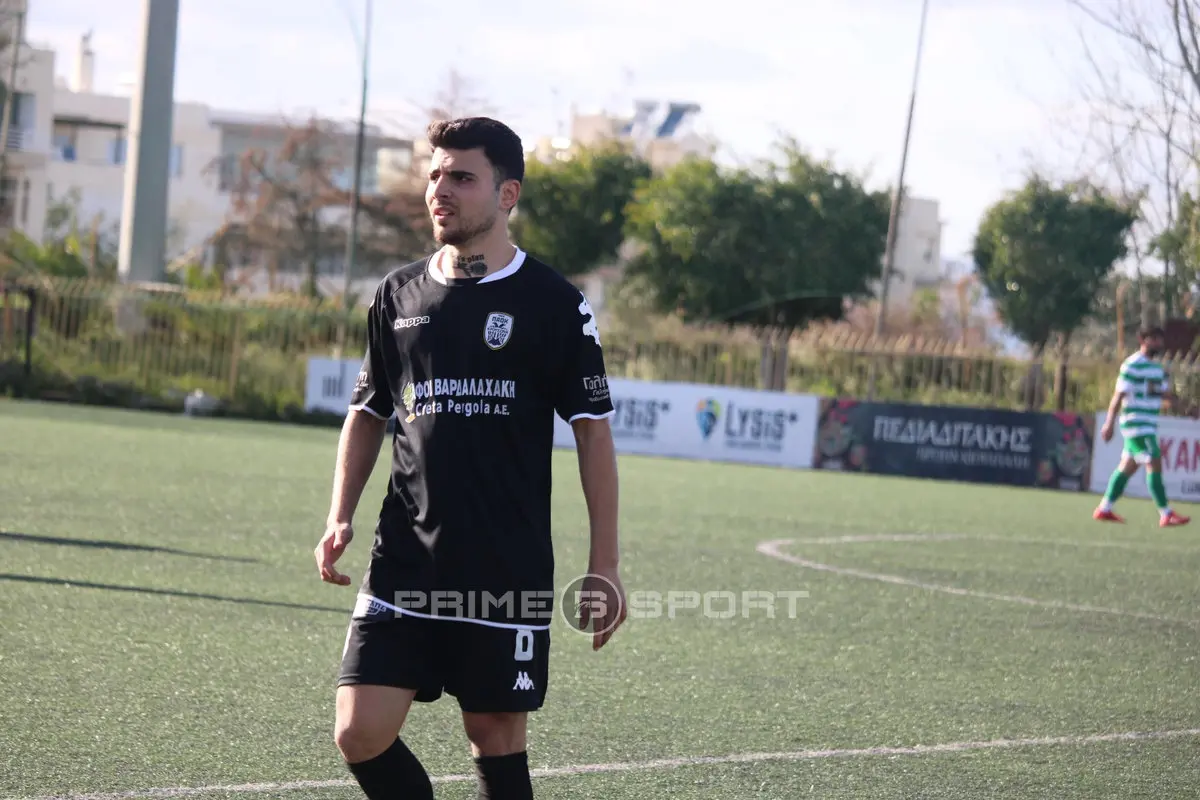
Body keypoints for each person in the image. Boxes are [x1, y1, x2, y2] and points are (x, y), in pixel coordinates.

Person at [314, 116, 626, 800]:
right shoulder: (397, 295)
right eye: (434, 175)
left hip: (504, 565)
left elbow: (593, 434)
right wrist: (340, 515)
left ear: (507, 194)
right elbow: (367, 413)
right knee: (358, 731)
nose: (440, 190)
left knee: (494, 735)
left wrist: (604, 565)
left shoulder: (554, 303)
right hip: (404, 560)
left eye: (462, 177)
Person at [1094, 325, 1190, 527]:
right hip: (1136, 423)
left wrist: (1188, 408)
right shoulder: (1132, 365)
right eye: (1154, 339)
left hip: (1148, 423)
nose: (1158, 343)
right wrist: (1109, 423)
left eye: (1160, 339)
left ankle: (1104, 508)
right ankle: (1166, 513)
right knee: (1154, 460)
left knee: (1127, 467)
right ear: (1142, 340)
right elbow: (1119, 395)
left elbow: (1163, 396)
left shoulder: (1157, 369)